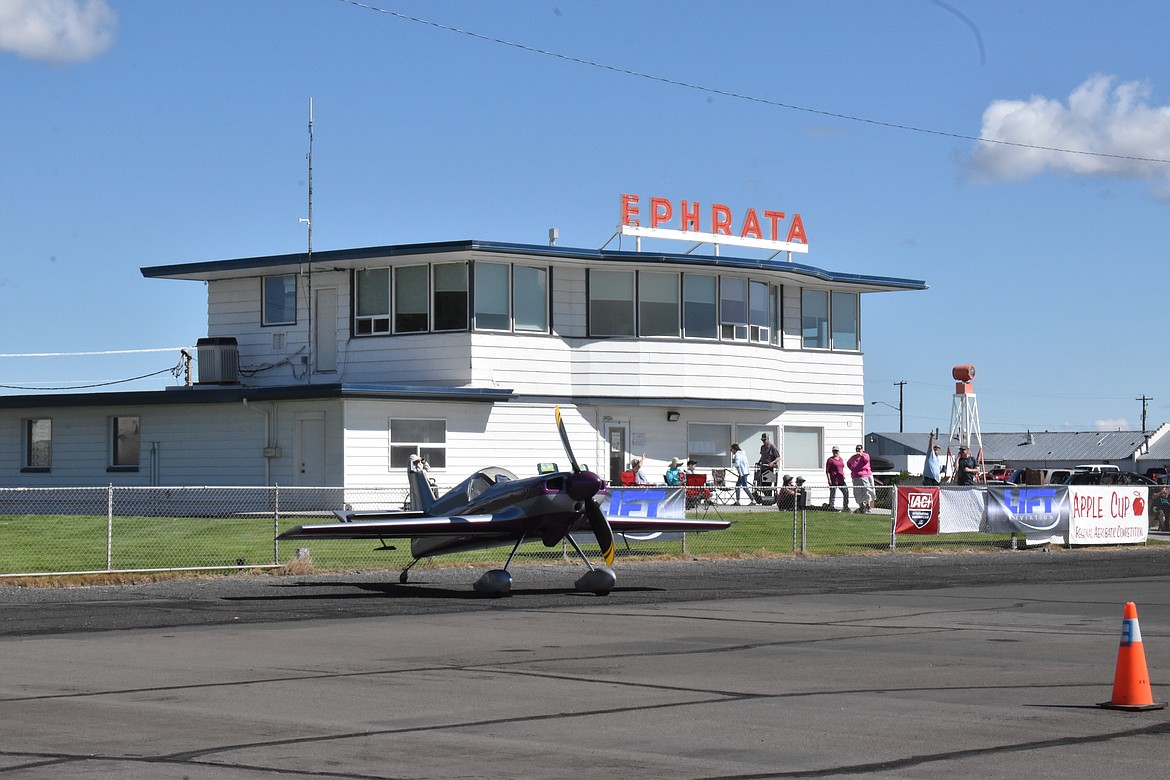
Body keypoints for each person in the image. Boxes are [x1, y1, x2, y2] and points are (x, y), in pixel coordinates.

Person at [847, 444, 875, 513]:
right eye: (857, 449)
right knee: (858, 492)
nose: (858, 450)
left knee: (867, 491)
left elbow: (866, 460)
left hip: (865, 476)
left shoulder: (865, 455)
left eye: (859, 449)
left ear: (862, 449)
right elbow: (848, 463)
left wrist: (861, 455)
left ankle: (868, 506)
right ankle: (861, 506)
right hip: (856, 477)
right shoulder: (853, 457)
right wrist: (852, 469)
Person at [824, 446, 849, 511]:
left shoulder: (841, 459)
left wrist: (843, 475)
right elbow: (827, 471)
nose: (835, 452)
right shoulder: (830, 460)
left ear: (839, 451)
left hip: (841, 479)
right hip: (833, 479)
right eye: (834, 451)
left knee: (846, 492)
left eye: (836, 451)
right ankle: (831, 506)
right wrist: (829, 479)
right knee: (833, 493)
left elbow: (841, 468)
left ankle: (845, 507)